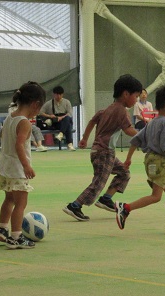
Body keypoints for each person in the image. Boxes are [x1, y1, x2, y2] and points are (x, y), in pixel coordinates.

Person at [114, 84, 165, 234]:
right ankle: (125, 208)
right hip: (159, 162)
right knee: (156, 197)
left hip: (149, 161)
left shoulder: (152, 123)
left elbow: (135, 140)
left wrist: (128, 159)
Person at [63, 74, 142, 221]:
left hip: (100, 152)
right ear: (126, 94)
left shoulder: (107, 109)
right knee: (99, 181)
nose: (136, 100)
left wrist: (85, 138)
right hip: (104, 152)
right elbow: (129, 130)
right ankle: (75, 205)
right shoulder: (121, 110)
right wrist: (145, 135)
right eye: (136, 96)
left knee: (124, 173)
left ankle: (106, 199)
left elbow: (93, 120)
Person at [0, 81, 46, 249]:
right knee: (21, 203)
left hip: (4, 165)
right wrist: (26, 166)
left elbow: (3, 136)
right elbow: (19, 145)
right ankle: (16, 236)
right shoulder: (25, 122)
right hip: (17, 168)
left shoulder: (11, 117)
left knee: (8, 198)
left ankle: (2, 228)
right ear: (35, 104)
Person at [38, 86, 75, 151]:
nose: (58, 96)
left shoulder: (67, 102)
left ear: (62, 94)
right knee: (68, 124)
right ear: (54, 94)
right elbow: (40, 112)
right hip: (55, 122)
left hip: (64, 120)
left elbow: (70, 113)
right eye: (57, 94)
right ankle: (69, 144)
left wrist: (61, 117)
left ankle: (61, 134)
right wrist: (50, 116)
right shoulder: (49, 103)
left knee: (67, 119)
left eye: (60, 94)